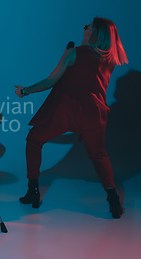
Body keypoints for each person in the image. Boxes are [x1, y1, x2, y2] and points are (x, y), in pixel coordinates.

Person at [15, 17, 128, 219]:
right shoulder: (110, 59)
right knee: (98, 154)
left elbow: (50, 81)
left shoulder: (74, 52)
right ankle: (113, 200)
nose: (84, 29)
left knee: (34, 139)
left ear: (96, 33)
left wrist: (25, 90)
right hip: (94, 113)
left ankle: (32, 190)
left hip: (67, 110)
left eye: (88, 27)